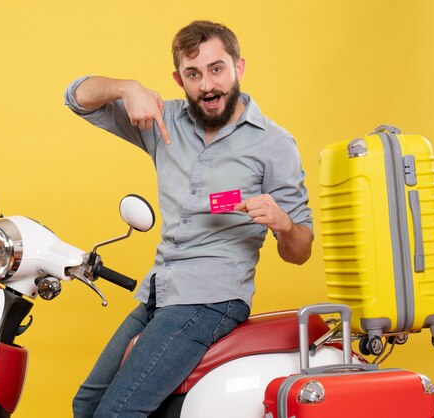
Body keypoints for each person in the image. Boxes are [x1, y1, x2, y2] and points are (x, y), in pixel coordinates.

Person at [64, 20, 313, 418]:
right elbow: (76, 97)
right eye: (194, 74)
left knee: (118, 413)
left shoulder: (274, 144)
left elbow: (300, 252)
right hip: (159, 292)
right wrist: (127, 87)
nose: (207, 86)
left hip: (212, 298)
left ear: (239, 68)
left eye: (217, 69)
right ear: (179, 79)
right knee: (86, 405)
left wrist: (283, 223)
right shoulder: (164, 121)